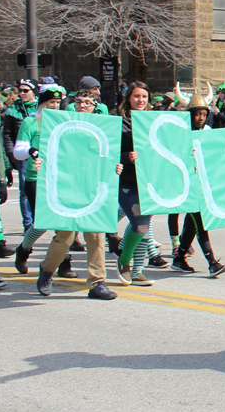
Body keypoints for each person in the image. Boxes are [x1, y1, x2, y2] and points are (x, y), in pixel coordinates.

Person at [35, 91, 122, 299]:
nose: (83, 105)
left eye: (88, 102)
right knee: (65, 237)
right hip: (68, 187)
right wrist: (40, 162)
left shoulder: (102, 129)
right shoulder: (62, 127)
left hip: (92, 188)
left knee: (96, 235)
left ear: (95, 106)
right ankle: (47, 271)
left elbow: (107, 156)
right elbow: (50, 152)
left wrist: (115, 167)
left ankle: (97, 282)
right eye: (79, 102)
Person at [13, 86, 75, 275]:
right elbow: (18, 151)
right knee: (41, 222)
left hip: (60, 178)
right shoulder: (30, 122)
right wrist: (31, 151)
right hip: (36, 177)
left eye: (57, 103)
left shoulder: (64, 123)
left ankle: (64, 261)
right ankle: (23, 249)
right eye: (51, 102)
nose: (55, 106)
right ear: (42, 103)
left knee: (63, 223)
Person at [170, 91, 225, 278]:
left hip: (203, 184)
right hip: (187, 184)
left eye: (204, 114)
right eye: (197, 114)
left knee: (192, 224)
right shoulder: (181, 133)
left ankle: (179, 258)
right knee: (200, 222)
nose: (201, 117)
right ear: (190, 115)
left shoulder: (209, 132)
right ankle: (212, 263)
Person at [116, 81, 155, 286]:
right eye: (136, 96)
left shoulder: (154, 121)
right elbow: (109, 151)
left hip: (149, 181)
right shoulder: (119, 123)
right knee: (139, 225)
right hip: (127, 180)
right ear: (129, 99)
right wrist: (126, 157)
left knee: (144, 227)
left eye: (144, 97)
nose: (140, 100)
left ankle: (137, 272)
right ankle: (123, 262)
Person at [3, 79, 38, 233]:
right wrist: (11, 154)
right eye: (20, 90)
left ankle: (39, 220)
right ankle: (28, 224)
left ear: (34, 92)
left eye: (26, 90)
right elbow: (7, 134)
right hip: (22, 153)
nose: (22, 93)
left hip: (39, 153)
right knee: (24, 190)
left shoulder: (40, 108)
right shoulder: (13, 109)